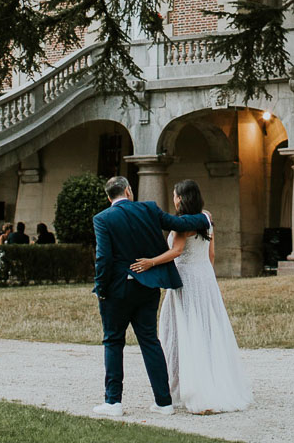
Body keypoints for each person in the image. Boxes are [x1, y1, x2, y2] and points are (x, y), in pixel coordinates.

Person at [130, 179, 253, 414]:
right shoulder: (206, 218)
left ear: (182, 198)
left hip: (185, 279)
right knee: (206, 330)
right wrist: (207, 277)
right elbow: (212, 254)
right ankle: (214, 383)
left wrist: (150, 263)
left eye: (175, 195)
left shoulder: (183, 224)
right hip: (204, 277)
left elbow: (176, 251)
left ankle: (181, 389)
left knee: (178, 330)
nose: (174, 199)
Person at [91, 175, 209, 417]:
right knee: (150, 342)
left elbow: (103, 258)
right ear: (128, 190)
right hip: (148, 287)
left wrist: (101, 289)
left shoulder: (102, 219)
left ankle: (113, 402)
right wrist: (205, 218)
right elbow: (182, 223)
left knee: (113, 342)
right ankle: (163, 402)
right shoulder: (149, 208)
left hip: (117, 289)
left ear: (109, 196)